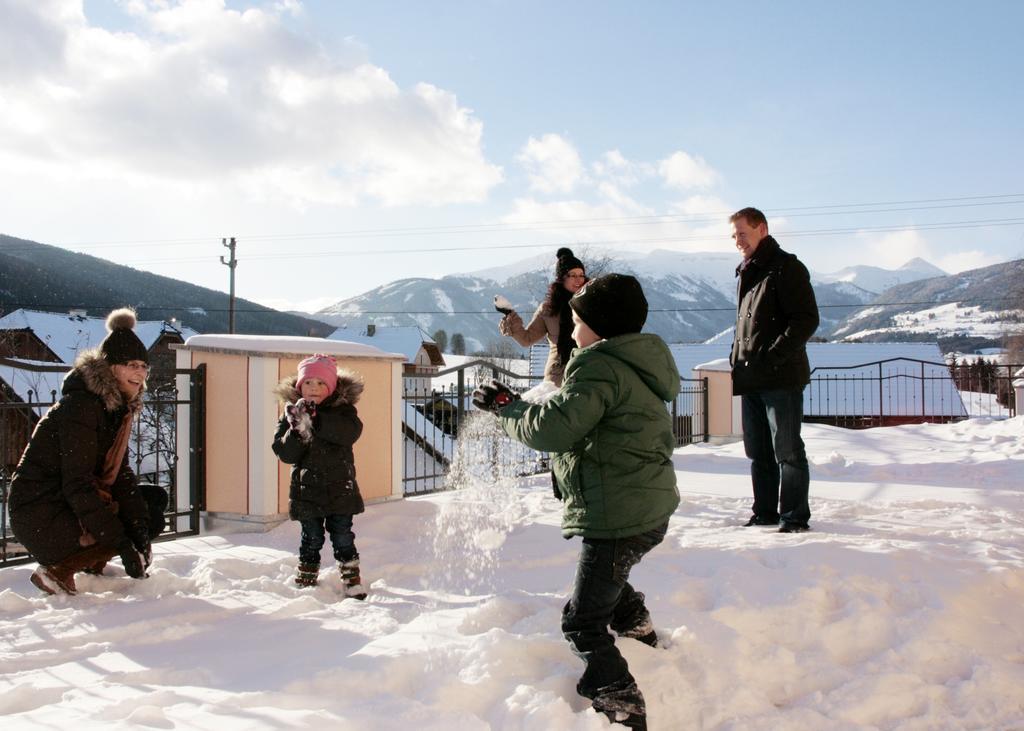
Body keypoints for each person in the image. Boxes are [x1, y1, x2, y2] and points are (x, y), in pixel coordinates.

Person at [474, 274, 679, 730]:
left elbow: (553, 429)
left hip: (617, 513)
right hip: (647, 505)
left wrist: (506, 407)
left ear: (599, 328)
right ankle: (638, 627)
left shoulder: (597, 366)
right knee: (609, 573)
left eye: (576, 321)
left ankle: (620, 699)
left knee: (581, 621)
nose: (570, 330)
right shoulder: (637, 363)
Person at [9, 308, 155, 595]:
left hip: (63, 502)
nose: (139, 372)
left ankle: (91, 562)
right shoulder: (82, 407)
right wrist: (123, 543)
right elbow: (77, 483)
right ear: (110, 368)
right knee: (116, 526)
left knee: (152, 506)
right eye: (130, 364)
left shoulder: (115, 410)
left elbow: (121, 474)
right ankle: (57, 571)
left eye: (143, 366)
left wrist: (140, 530)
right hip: (39, 510)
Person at [729, 207, 820, 533]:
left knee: (788, 450)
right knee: (758, 451)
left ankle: (794, 517)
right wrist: (735, 357)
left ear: (762, 230)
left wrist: (773, 355)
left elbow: (806, 320)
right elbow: (745, 325)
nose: (738, 240)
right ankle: (764, 512)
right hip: (751, 375)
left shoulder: (786, 268)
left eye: (743, 233)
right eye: (734, 235)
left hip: (781, 377)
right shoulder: (748, 271)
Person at [272, 354, 368, 599]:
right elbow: (285, 453)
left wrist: (318, 420)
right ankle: (306, 577)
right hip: (307, 491)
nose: (313, 388)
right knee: (311, 538)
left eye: (320, 383)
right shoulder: (291, 414)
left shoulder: (344, 412)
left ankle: (352, 579)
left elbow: (349, 433)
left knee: (343, 536)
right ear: (299, 386)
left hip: (340, 489)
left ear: (332, 387)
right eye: (308, 382)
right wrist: (297, 432)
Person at [495, 247, 588, 387]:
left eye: (581, 275)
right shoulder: (549, 309)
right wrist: (510, 317)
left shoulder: (593, 303)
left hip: (589, 372)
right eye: (572, 275)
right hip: (558, 377)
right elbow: (527, 339)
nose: (578, 279)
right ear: (562, 278)